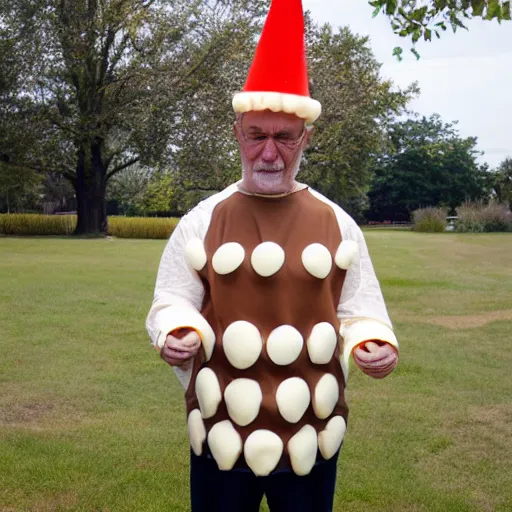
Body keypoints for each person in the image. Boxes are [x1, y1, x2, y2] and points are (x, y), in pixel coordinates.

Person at [146, 1, 399, 510]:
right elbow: (173, 297)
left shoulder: (336, 221)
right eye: (257, 135)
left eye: (284, 138)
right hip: (220, 431)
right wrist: (174, 330)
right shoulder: (203, 219)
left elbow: (359, 308)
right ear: (238, 133)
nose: (269, 152)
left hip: (312, 428)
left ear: (305, 138)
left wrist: (374, 341)